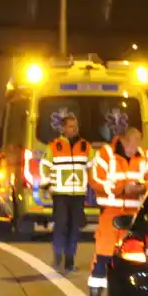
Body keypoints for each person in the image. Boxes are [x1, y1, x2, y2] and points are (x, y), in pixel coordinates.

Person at [86, 125, 148, 296]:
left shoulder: (146, 157)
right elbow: (96, 181)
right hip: (111, 213)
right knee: (102, 257)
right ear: (123, 140)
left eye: (138, 144)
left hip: (134, 216)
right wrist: (122, 189)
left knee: (129, 261)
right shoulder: (106, 154)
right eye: (132, 144)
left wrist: (143, 188)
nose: (135, 148)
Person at [40, 112, 92, 272]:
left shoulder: (85, 146)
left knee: (74, 228)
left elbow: (93, 168)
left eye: (75, 126)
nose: (74, 129)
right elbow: (44, 166)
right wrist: (47, 185)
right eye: (70, 126)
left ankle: (69, 260)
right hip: (60, 194)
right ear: (63, 128)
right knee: (61, 226)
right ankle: (58, 256)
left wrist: (92, 187)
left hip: (78, 195)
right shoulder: (54, 146)